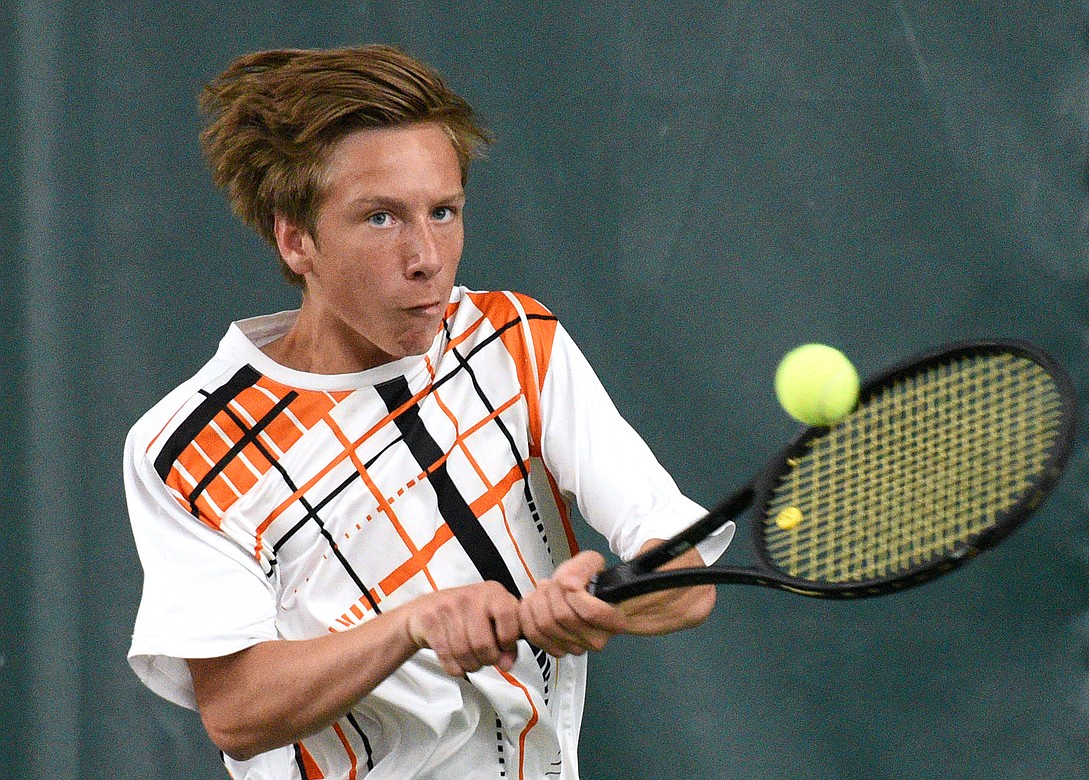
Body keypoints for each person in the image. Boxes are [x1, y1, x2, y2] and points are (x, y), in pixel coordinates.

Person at [124, 44, 731, 780]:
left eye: (443, 212)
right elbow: (239, 712)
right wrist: (412, 627)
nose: (427, 257)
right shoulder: (189, 446)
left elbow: (688, 574)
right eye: (381, 219)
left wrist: (602, 603)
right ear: (296, 238)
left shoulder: (517, 345)